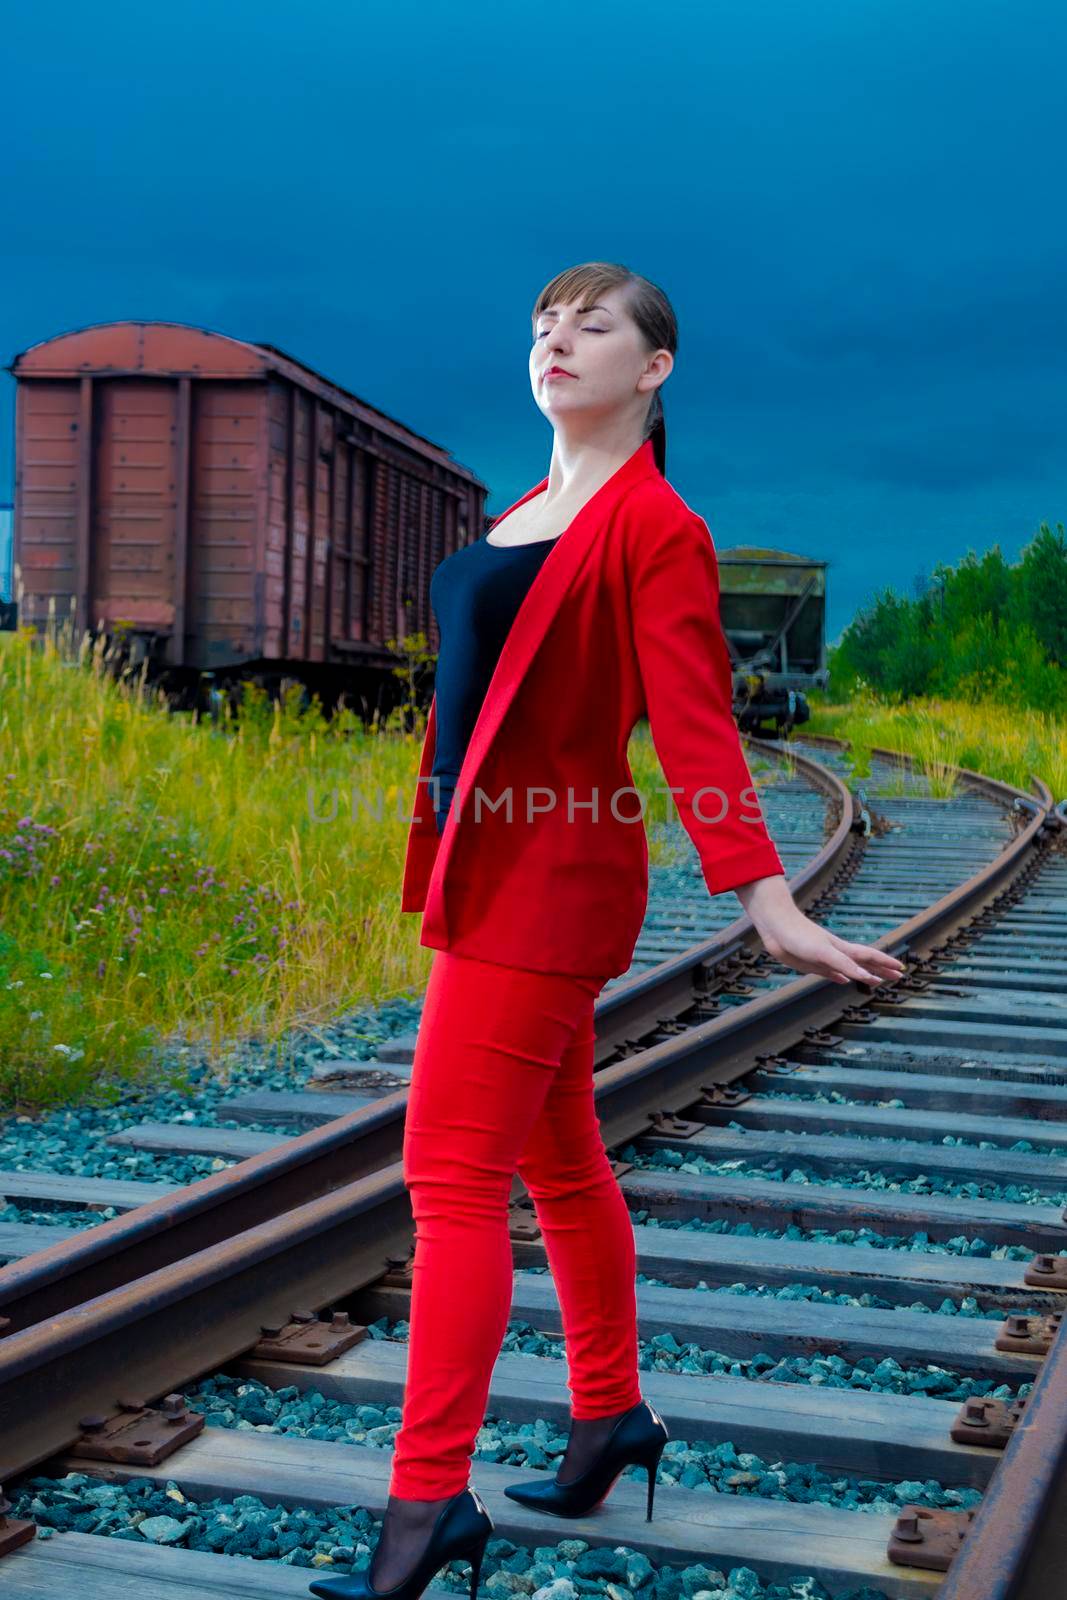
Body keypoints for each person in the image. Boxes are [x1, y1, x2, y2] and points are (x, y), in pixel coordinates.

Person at [310, 262, 905, 1600]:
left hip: (551, 882)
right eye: (541, 325)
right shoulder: (530, 507)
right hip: (494, 867)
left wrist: (763, 896)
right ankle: (608, 1417)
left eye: (591, 326)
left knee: (449, 1178)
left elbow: (694, 722)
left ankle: (423, 1511)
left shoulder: (656, 527)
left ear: (656, 369)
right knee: (559, 1162)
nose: (556, 342)